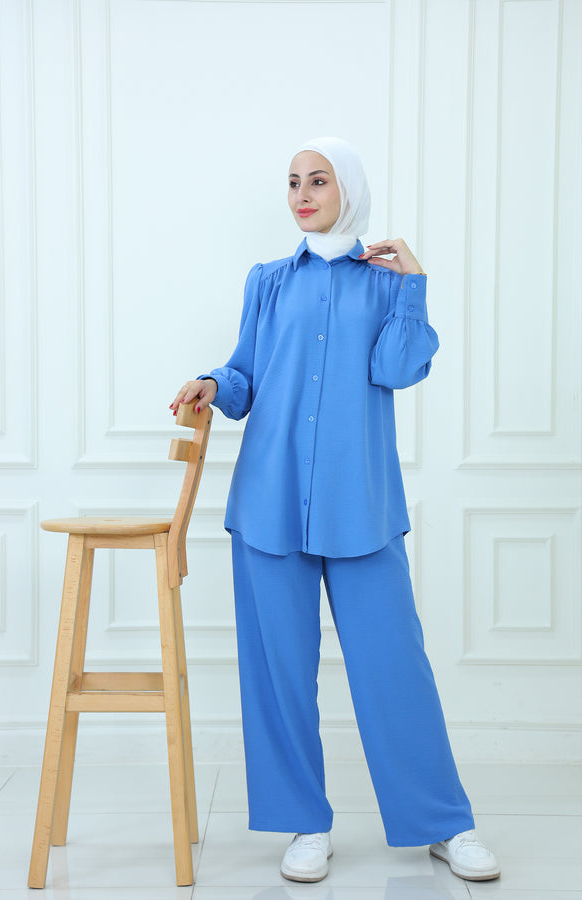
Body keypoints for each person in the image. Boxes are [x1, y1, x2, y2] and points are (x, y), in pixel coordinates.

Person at [170, 137, 500, 884]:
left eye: (318, 181)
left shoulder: (385, 284)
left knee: (394, 667)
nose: (302, 195)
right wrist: (213, 383)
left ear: (348, 188)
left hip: (361, 505)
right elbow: (247, 373)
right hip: (269, 501)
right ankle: (304, 823)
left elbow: (399, 368)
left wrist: (413, 285)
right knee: (279, 674)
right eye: (293, 182)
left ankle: (443, 822)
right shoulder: (267, 281)